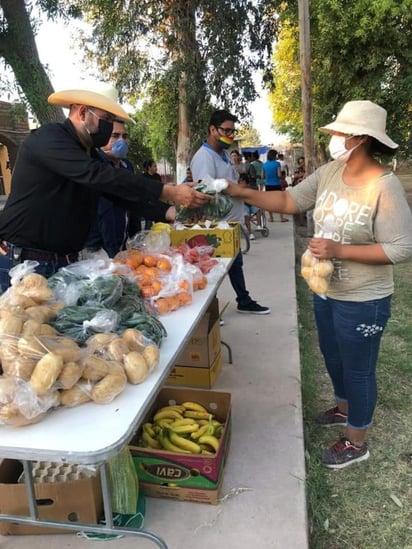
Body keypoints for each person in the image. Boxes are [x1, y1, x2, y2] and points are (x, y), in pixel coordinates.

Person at [224, 100, 412, 468]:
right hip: (326, 290)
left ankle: (357, 440)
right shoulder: (329, 173)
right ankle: (344, 409)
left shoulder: (384, 187)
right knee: (332, 353)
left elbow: (402, 248)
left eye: (341, 133)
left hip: (364, 298)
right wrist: (240, 192)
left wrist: (340, 249)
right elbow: (289, 200)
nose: (335, 139)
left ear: (361, 138)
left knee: (359, 368)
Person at [0, 82, 209, 291]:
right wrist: (168, 191)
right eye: (106, 119)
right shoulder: (49, 139)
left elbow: (118, 193)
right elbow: (99, 176)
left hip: (63, 262)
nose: (109, 127)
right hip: (24, 262)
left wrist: (170, 211)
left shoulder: (89, 154)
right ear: (83, 112)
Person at [190, 109, 270, 315]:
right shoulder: (204, 157)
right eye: (226, 130)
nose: (230, 135)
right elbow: (204, 189)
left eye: (233, 131)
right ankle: (209, 310)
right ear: (213, 130)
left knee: (235, 264)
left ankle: (243, 300)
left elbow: (228, 183)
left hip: (231, 222)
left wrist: (238, 187)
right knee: (212, 269)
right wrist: (232, 188)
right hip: (216, 225)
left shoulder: (224, 154)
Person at [84, 118, 134, 257]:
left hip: (122, 245)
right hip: (99, 249)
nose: (121, 141)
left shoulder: (127, 167)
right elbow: (103, 210)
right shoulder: (95, 165)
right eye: (115, 136)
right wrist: (111, 252)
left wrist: (134, 238)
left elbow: (133, 203)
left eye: (124, 136)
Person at [263, 149, 288, 223]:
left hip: (268, 185)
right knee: (279, 201)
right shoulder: (277, 164)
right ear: (275, 155)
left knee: (269, 202)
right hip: (276, 184)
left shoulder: (265, 164)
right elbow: (279, 175)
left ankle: (271, 218)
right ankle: (281, 218)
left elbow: (262, 175)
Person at [239, 173, 262, 240]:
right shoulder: (238, 188)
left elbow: (256, 189)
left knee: (258, 209)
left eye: (242, 181)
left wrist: (247, 187)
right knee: (246, 216)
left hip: (252, 203)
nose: (240, 182)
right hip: (244, 205)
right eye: (240, 181)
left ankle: (258, 225)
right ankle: (250, 233)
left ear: (245, 181)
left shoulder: (250, 187)